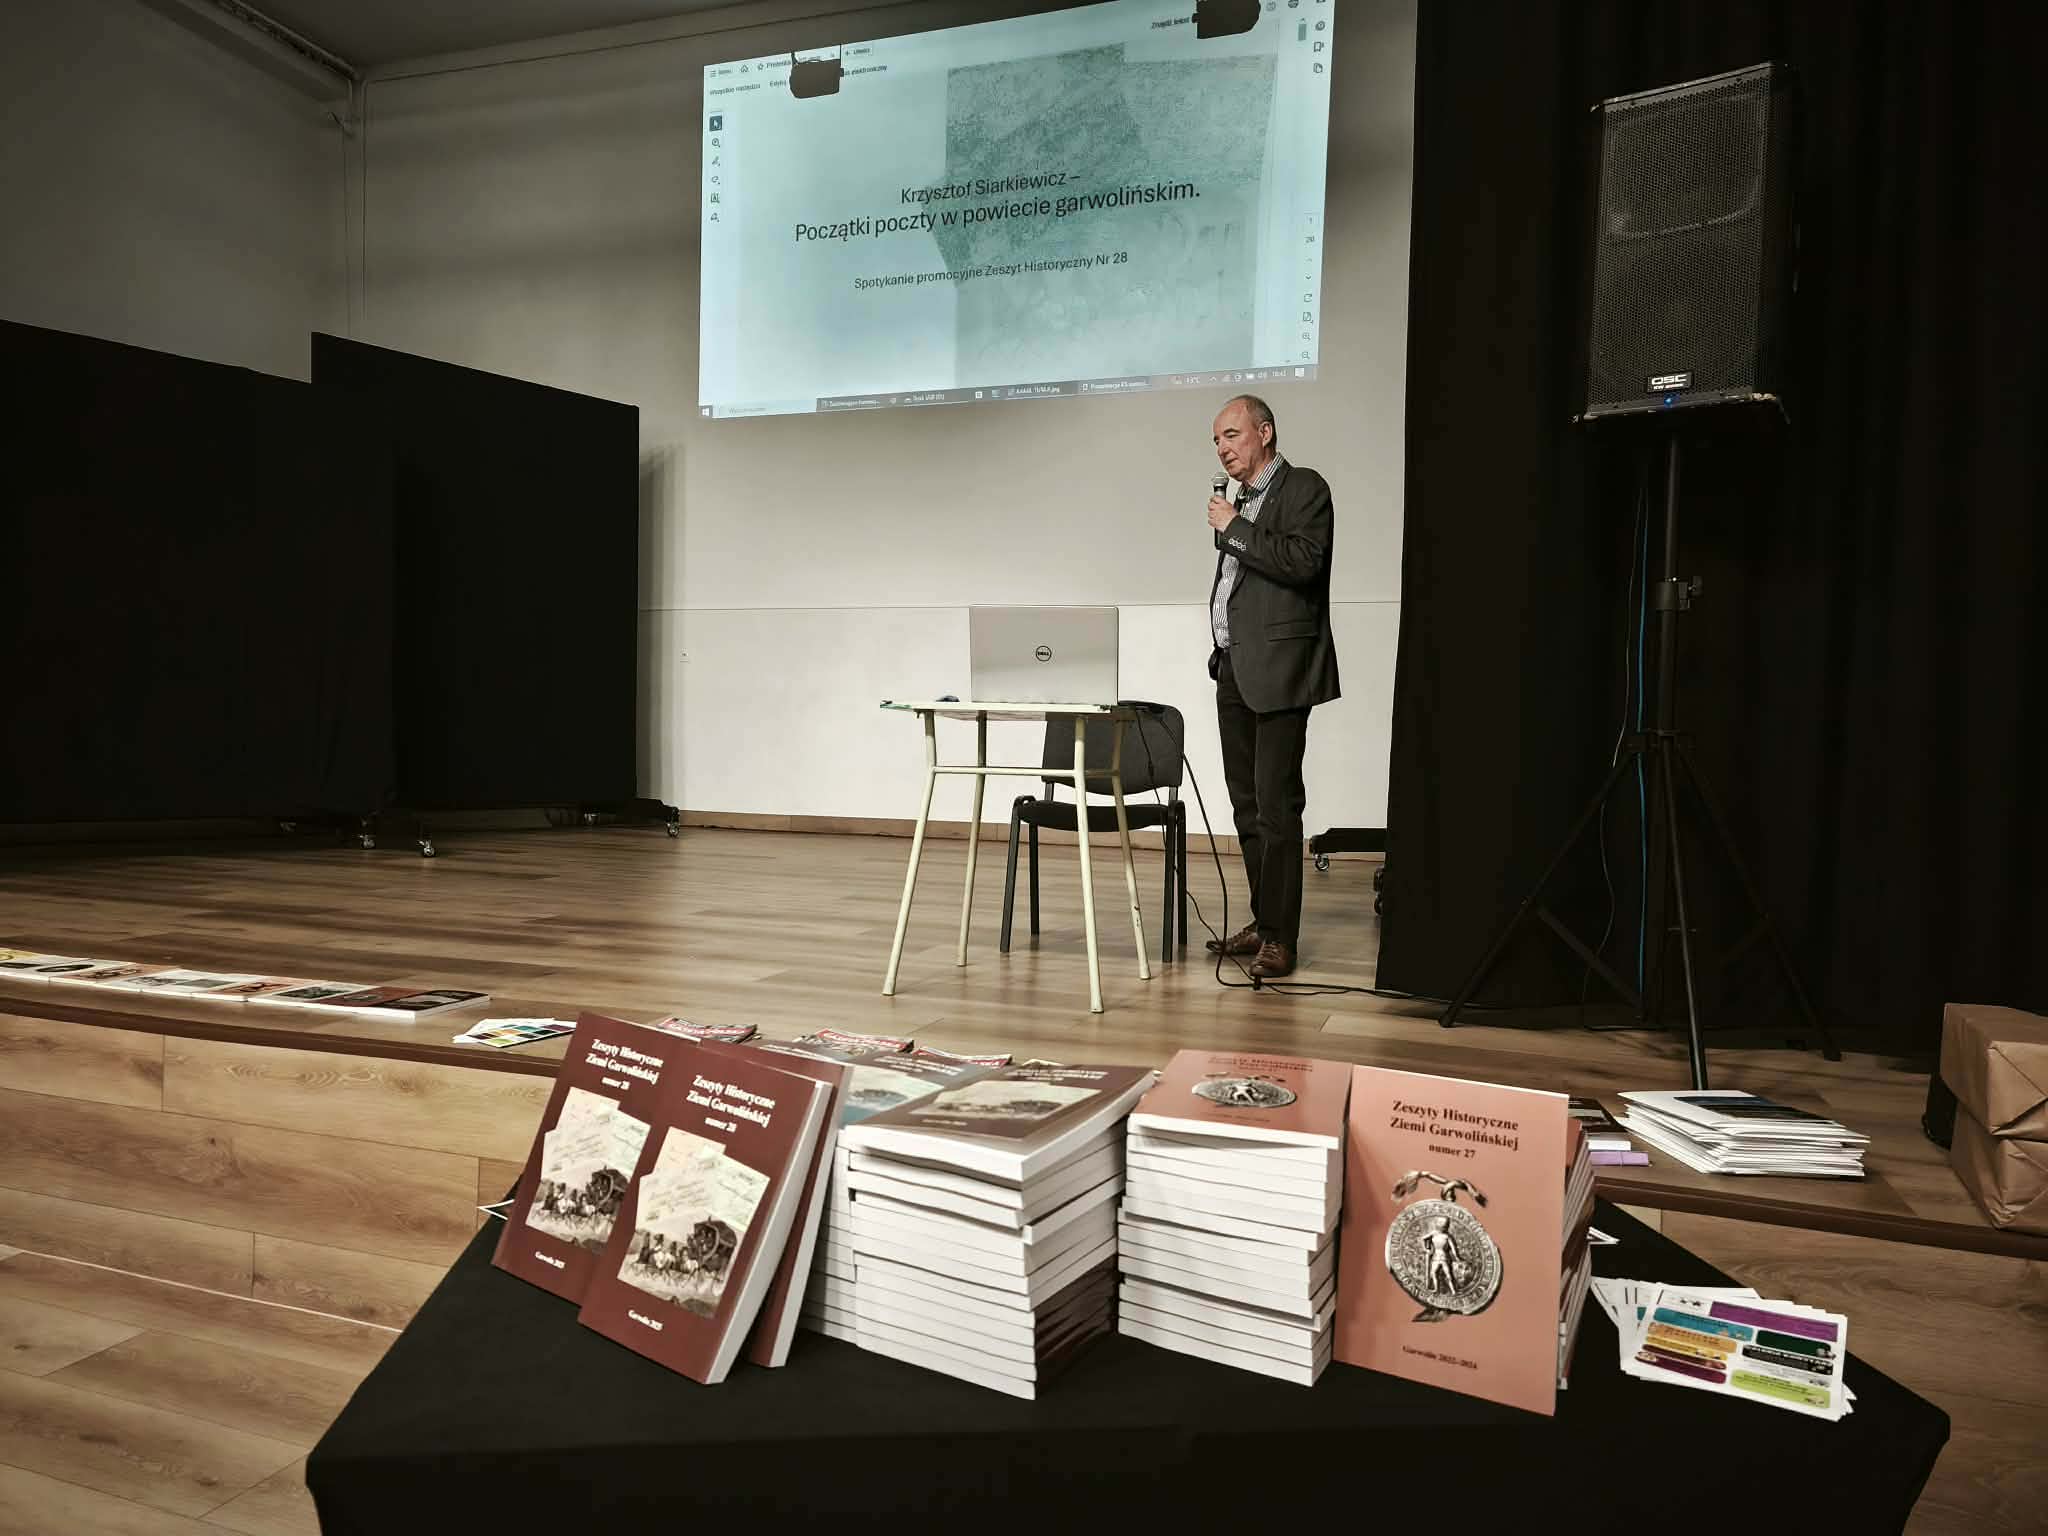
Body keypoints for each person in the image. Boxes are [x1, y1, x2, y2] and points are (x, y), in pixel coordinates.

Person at [1204, 394, 1339, 979]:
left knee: (1277, 808)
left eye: (1231, 435)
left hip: (1281, 670)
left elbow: (1303, 563)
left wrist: (1233, 528)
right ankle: (1264, 920)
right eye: (1216, 440)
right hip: (1234, 669)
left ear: (1265, 432)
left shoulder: (1304, 487)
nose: (1222, 448)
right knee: (1247, 806)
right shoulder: (1239, 502)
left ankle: (1282, 938)